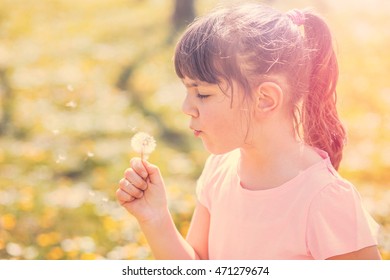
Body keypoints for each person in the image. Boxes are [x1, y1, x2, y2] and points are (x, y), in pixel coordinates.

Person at [116, 3, 381, 260]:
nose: (187, 107)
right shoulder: (218, 170)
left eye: (202, 94)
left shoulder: (324, 200)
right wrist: (156, 219)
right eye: (187, 91)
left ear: (265, 99)